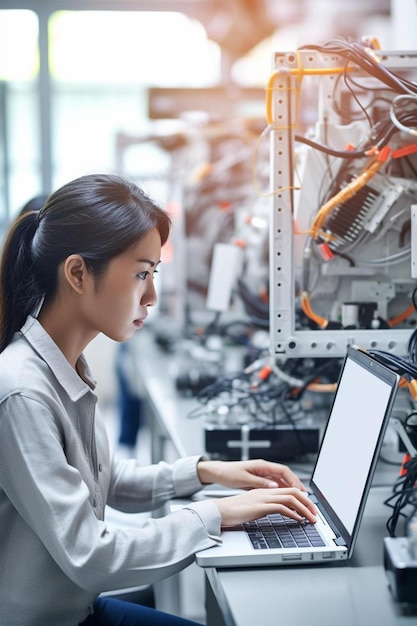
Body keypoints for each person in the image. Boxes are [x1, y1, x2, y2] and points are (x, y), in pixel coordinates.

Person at [0, 173, 317, 626]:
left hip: (76, 608)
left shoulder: (62, 366)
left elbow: (98, 480)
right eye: (140, 274)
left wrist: (206, 471)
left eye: (154, 274)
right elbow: (90, 555)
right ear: (77, 273)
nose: (150, 295)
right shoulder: (22, 391)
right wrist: (215, 514)